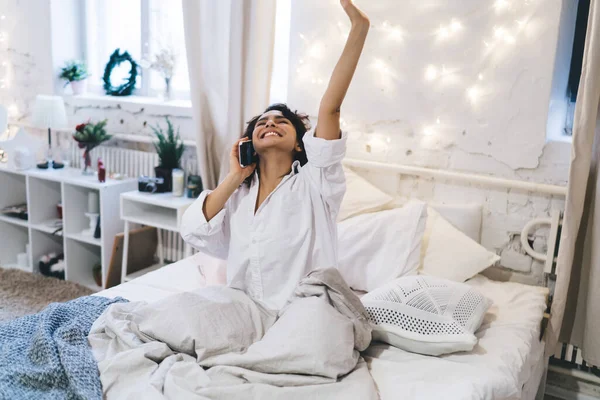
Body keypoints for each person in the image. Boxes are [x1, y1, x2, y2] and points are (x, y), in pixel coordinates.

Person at [181, 0, 370, 310]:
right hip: (246, 312)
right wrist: (234, 177)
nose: (270, 123)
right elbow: (193, 230)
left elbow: (330, 107)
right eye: (262, 123)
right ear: (250, 142)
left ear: (300, 143)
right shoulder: (240, 195)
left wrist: (359, 29)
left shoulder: (316, 183)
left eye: (282, 122)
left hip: (304, 313)